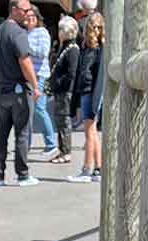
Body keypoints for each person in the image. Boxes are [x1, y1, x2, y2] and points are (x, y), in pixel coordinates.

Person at [0, 0, 40, 188]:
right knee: (21, 133)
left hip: (2, 91)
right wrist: (35, 86)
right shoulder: (18, 33)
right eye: (25, 10)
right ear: (14, 10)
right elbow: (25, 61)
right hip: (18, 91)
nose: (28, 13)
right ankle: (23, 174)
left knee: (2, 133)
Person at [68, 8, 103, 183]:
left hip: (91, 93)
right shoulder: (86, 47)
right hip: (85, 92)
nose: (96, 30)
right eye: (94, 27)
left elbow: (98, 77)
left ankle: (86, 169)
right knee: (92, 132)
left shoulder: (99, 49)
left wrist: (97, 100)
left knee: (89, 132)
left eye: (99, 27)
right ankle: (97, 169)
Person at [24, 7, 56, 157]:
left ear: (37, 18)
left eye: (32, 16)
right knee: (26, 112)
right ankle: (26, 144)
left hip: (39, 76)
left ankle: (51, 144)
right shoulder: (24, 33)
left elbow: (43, 52)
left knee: (39, 109)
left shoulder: (42, 32)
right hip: (26, 76)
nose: (30, 19)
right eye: (27, 16)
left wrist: (26, 49)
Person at [47, 14, 79, 165]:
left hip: (65, 92)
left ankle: (66, 151)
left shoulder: (72, 49)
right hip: (60, 91)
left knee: (64, 121)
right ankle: (61, 149)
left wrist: (59, 84)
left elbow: (71, 73)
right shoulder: (64, 46)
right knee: (59, 120)